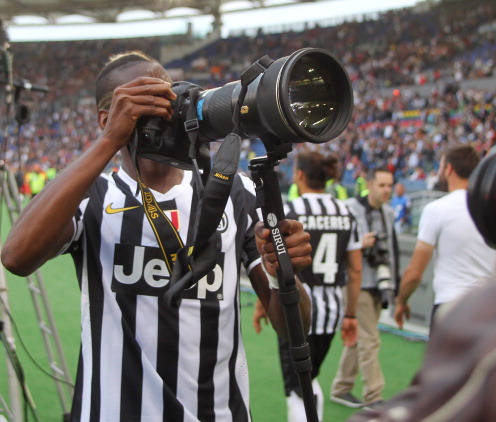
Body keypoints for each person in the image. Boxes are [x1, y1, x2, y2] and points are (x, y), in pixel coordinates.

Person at [1, 50, 313, 422]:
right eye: (150, 103)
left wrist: (284, 273)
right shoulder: (93, 195)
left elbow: (292, 325)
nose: (171, 114)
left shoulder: (236, 192)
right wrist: (108, 141)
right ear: (110, 117)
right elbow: (16, 257)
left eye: (173, 99)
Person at [348, 173, 496, 422]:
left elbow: (415, 268)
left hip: (466, 308)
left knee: (445, 383)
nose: (386, 189)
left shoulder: (438, 209)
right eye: (383, 185)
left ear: (448, 169)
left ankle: (371, 393)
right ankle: (344, 385)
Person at [253, 150, 362, 421]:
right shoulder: (346, 211)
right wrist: (350, 314)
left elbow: (275, 264)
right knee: (311, 377)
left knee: (296, 388)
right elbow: (356, 268)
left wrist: (262, 305)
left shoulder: (292, 211)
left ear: (299, 174)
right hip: (331, 310)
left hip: (295, 309)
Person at [395, 144, 496, 331]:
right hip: (489, 309)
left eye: (441, 167)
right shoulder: (493, 209)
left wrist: (401, 301)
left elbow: (415, 272)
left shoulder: (438, 209)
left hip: (452, 306)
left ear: (449, 169)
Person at [330, 167, 400, 408]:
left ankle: (341, 387)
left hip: (378, 283)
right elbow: (337, 245)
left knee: (359, 339)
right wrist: (360, 243)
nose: (386, 190)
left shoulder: (389, 213)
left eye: (389, 185)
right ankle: (374, 395)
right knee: (371, 340)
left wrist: (393, 284)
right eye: (381, 185)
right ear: (369, 184)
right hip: (355, 282)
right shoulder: (349, 207)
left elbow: (391, 250)